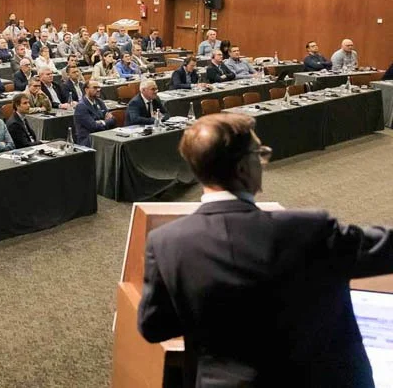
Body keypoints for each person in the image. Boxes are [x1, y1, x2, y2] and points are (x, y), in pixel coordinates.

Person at [138, 113, 393, 387]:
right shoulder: (309, 231)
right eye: (259, 153)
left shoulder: (167, 242)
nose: (262, 161)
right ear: (242, 169)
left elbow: (154, 327)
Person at [73, 80, 116, 146]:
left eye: (99, 87)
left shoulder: (99, 101)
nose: (98, 90)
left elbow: (113, 120)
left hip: (102, 135)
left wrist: (100, 122)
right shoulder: (81, 106)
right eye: (95, 88)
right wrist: (105, 121)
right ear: (86, 90)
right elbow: (93, 127)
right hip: (89, 140)